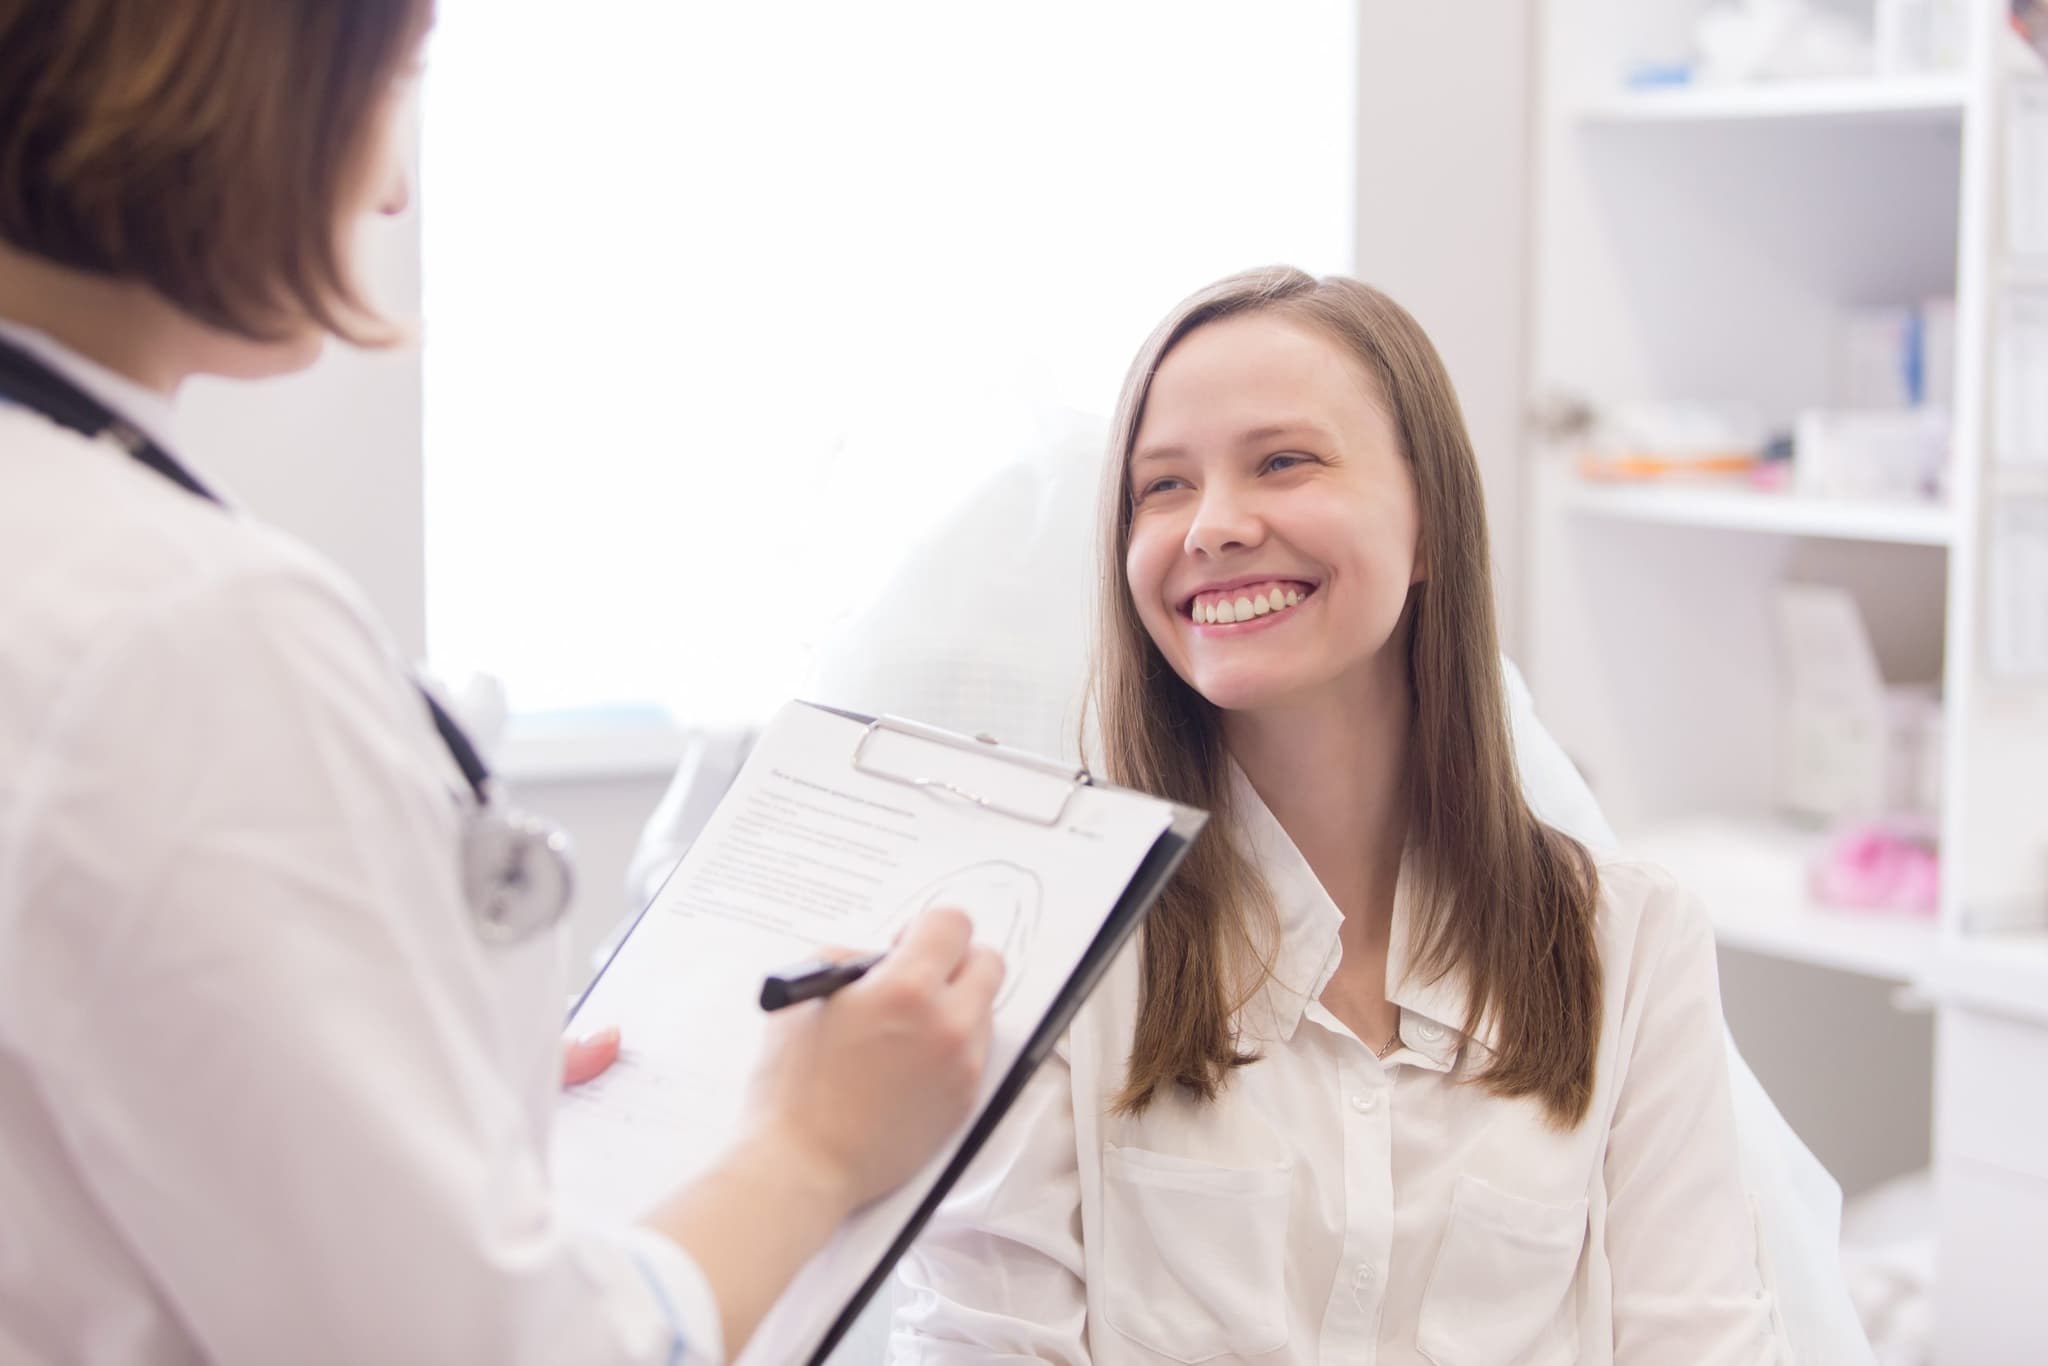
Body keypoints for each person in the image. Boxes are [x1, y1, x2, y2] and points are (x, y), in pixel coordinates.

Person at [0, 4, 999, 1363]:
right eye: (393, 86)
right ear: (241, 79)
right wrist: (816, 1145)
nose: (394, 183)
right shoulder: (180, 628)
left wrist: (405, 1081)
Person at [890, 267, 1790, 1364]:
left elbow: (1695, 1340)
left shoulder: (1628, 943)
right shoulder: (1047, 934)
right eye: (1161, 487)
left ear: (1426, 525)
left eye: (1283, 461)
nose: (1213, 525)